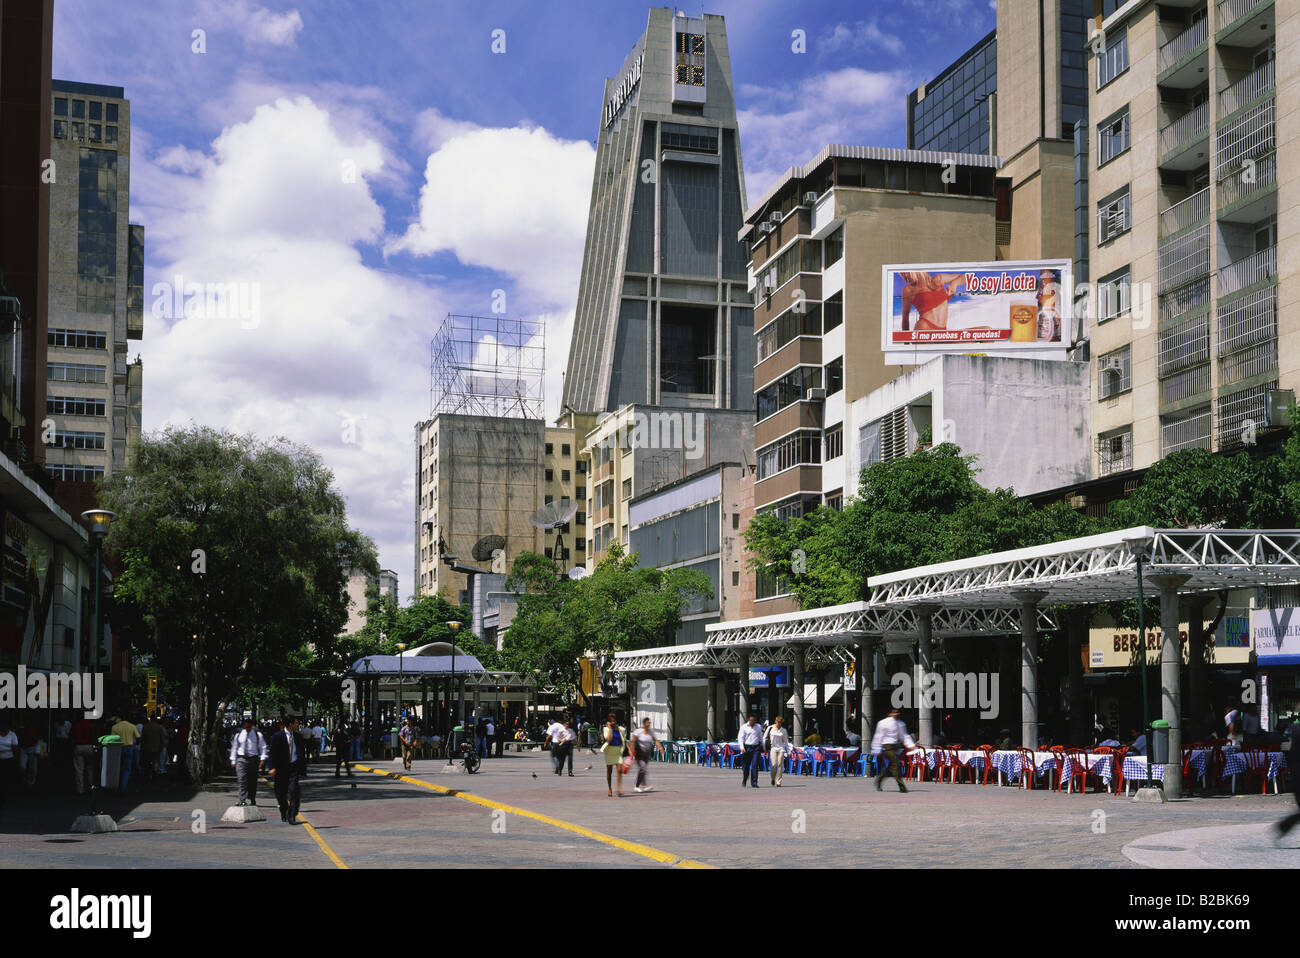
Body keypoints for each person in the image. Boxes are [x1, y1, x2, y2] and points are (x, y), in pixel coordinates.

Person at [269, 716, 308, 824]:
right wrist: (272, 767)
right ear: (290, 724)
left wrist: (303, 769)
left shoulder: (298, 736)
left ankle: (292, 815)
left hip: (293, 767)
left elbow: (301, 753)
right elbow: (272, 753)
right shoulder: (277, 736)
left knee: (294, 791)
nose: (297, 725)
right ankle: (284, 809)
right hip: (281, 768)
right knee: (280, 793)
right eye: (296, 723)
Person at [898, 271, 966, 332]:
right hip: (924, 327)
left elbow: (966, 277)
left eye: (907, 272)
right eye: (903, 274)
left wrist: (955, 283)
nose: (906, 275)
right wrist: (906, 344)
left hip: (943, 330)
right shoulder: (908, 290)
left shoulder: (938, 279)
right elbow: (905, 318)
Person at [871, 708, 916, 793]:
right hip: (886, 746)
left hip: (895, 747)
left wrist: (910, 745)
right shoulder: (883, 723)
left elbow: (904, 736)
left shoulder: (900, 724)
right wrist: (876, 748)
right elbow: (878, 736)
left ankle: (879, 780)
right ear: (890, 713)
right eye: (894, 712)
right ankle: (901, 785)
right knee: (896, 764)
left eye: (898, 712)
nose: (896, 714)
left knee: (892, 766)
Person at [229, 717, 268, 806]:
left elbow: (263, 747)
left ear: (252, 726)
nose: (248, 728)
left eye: (249, 726)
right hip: (241, 759)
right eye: (246, 726)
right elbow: (234, 747)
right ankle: (242, 800)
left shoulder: (258, 735)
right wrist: (233, 760)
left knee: (252, 781)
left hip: (253, 759)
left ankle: (252, 799)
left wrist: (262, 759)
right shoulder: (238, 735)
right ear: (243, 726)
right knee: (241, 780)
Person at [630, 718, 663, 792]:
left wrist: (660, 748)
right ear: (644, 723)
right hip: (639, 753)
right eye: (648, 723)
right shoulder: (638, 731)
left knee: (643, 769)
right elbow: (633, 741)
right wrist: (631, 751)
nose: (649, 724)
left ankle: (645, 785)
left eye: (650, 723)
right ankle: (637, 786)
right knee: (643, 768)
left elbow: (655, 741)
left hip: (647, 753)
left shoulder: (651, 732)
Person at [111, 714, 140, 794]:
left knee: (117, 768)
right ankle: (123, 787)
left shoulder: (115, 727)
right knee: (126, 769)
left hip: (118, 748)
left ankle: (116, 785)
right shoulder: (132, 726)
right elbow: (138, 737)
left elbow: (112, 739)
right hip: (129, 748)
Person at [601, 713, 628, 797]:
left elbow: (625, 740)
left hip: (618, 751)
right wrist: (609, 728)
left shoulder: (621, 730)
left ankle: (619, 789)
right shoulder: (606, 729)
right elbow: (608, 739)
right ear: (608, 722)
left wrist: (630, 750)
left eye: (614, 721)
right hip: (609, 752)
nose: (613, 722)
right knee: (609, 771)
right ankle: (610, 789)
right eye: (611, 721)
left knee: (619, 770)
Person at [71, 714, 98, 795]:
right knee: (90, 768)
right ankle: (91, 787)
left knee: (79, 770)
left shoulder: (76, 725)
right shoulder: (91, 725)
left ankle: (80, 789)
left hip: (79, 746)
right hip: (90, 746)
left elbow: (71, 736)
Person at [738, 715, 763, 789]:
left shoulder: (758, 726)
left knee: (755, 765)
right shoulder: (744, 727)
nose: (752, 722)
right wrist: (742, 747)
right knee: (746, 766)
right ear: (748, 720)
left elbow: (760, 737)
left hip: (755, 748)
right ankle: (745, 778)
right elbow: (740, 738)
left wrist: (763, 746)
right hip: (747, 747)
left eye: (754, 720)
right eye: (751, 720)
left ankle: (754, 782)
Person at [140, 715, 166, 784]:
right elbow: (162, 738)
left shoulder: (145, 727)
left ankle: (148, 774)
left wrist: (142, 746)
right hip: (156, 747)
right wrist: (162, 746)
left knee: (148, 761)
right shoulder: (159, 727)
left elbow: (143, 738)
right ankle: (154, 773)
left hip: (147, 747)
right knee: (155, 761)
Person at [0, 719, 18, 817]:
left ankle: (3, 799)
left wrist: (15, 761)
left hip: (8, 760)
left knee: (5, 781)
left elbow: (15, 749)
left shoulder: (12, 735)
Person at [768, 715, 789, 787]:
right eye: (778, 722)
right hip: (773, 748)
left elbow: (786, 741)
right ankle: (773, 778)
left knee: (780, 765)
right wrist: (764, 746)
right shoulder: (770, 728)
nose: (779, 723)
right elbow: (764, 737)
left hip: (781, 749)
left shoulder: (784, 730)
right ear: (775, 721)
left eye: (780, 722)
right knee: (774, 765)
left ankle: (778, 782)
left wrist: (788, 751)